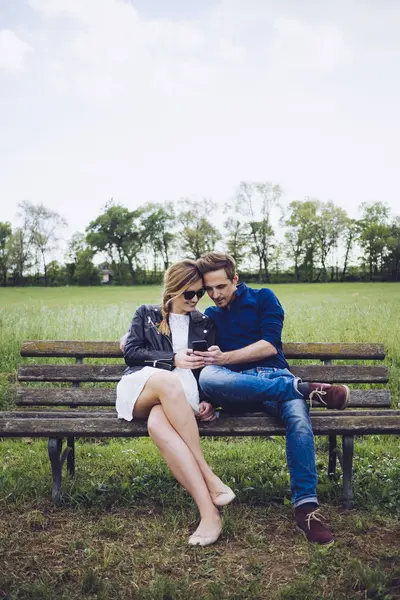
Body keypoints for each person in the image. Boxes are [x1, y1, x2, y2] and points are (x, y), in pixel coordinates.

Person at [195, 252, 350, 546]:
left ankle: (306, 508)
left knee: (299, 421)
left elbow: (269, 346)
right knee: (209, 377)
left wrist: (226, 357)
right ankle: (305, 389)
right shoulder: (210, 316)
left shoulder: (264, 297)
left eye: (221, 287)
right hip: (242, 390)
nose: (214, 295)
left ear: (235, 280)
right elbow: (203, 359)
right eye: (209, 289)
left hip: (274, 374)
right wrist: (207, 399)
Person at [116, 259, 235, 547]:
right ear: (173, 289)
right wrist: (172, 360)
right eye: (189, 294)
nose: (195, 299)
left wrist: (208, 400)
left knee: (158, 422)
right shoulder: (146, 314)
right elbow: (131, 352)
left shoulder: (205, 323)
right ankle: (208, 473)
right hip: (142, 388)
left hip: (181, 397)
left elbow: (206, 370)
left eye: (199, 293)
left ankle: (209, 513)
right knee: (168, 380)